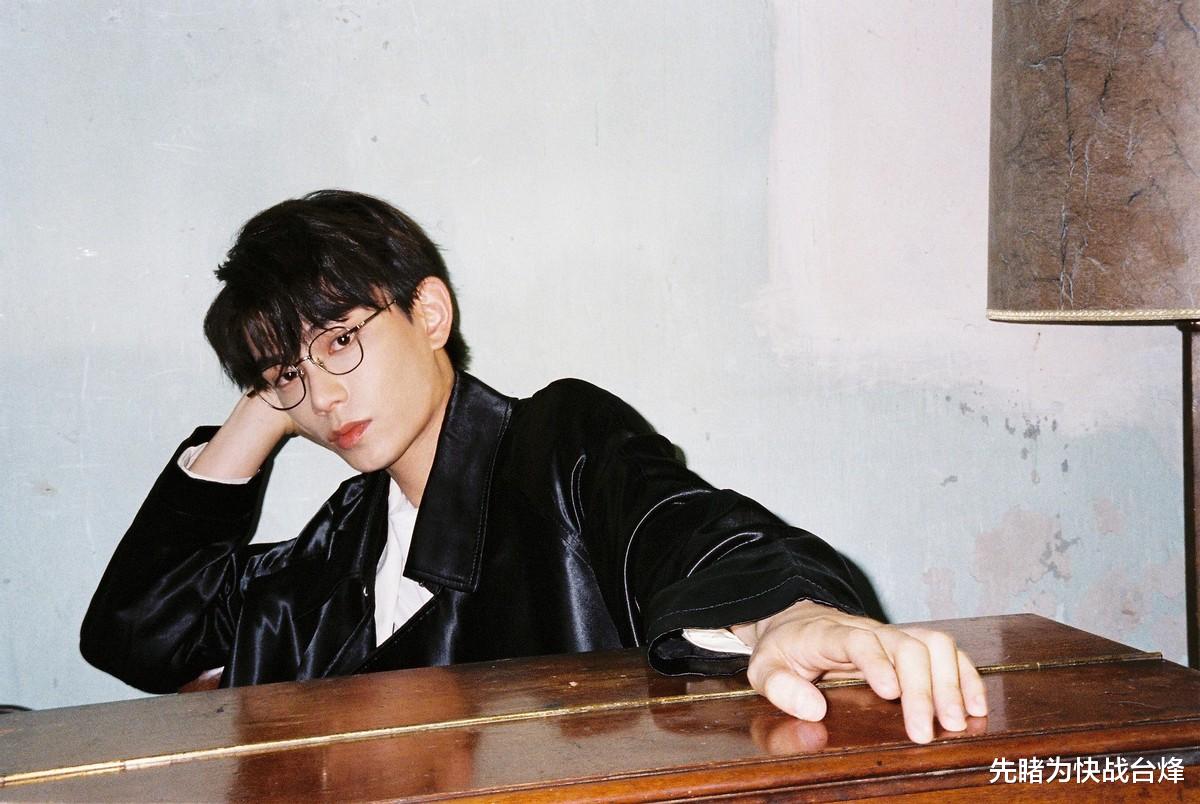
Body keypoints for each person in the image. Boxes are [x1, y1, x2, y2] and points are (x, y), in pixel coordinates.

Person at [81, 190, 986, 745]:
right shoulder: (340, 541)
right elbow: (141, 634)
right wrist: (263, 395)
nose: (323, 396)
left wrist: (787, 614)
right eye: (290, 377)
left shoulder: (555, 444)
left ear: (429, 313)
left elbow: (681, 526)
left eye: (342, 340)